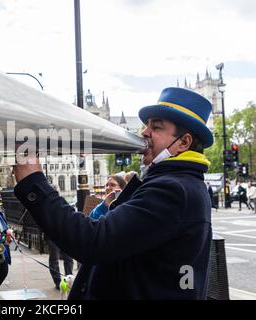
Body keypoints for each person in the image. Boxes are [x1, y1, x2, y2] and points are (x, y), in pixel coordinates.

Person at [13, 87, 214, 299]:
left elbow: (92, 240)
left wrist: (33, 182)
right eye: (147, 125)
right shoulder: (180, 183)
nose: (144, 132)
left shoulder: (173, 190)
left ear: (184, 142)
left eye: (156, 127)